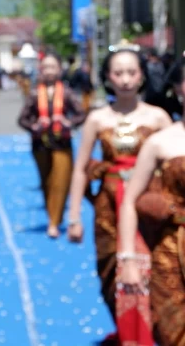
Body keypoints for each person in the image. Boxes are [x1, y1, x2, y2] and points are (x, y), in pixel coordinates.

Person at [67, 41, 172, 345]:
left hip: (149, 204)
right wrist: (74, 216)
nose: (125, 79)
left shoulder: (158, 118)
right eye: (118, 73)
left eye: (131, 72)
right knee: (112, 271)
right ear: (108, 77)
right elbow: (80, 169)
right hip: (109, 206)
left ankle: (152, 333)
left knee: (154, 270)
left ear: (141, 76)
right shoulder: (97, 119)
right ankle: (127, 331)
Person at [117, 57, 185, 346]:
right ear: (177, 89)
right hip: (172, 252)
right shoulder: (161, 142)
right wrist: (129, 260)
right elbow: (130, 201)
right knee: (173, 330)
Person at [17, 52, 86, 238]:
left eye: (52, 67)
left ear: (59, 70)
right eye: (45, 67)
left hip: (61, 143)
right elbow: (22, 119)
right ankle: (53, 217)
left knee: (61, 182)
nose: (49, 71)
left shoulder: (67, 93)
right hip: (40, 144)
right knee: (47, 182)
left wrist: (68, 123)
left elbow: (81, 114)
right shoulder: (33, 94)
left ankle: (54, 222)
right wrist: (34, 126)